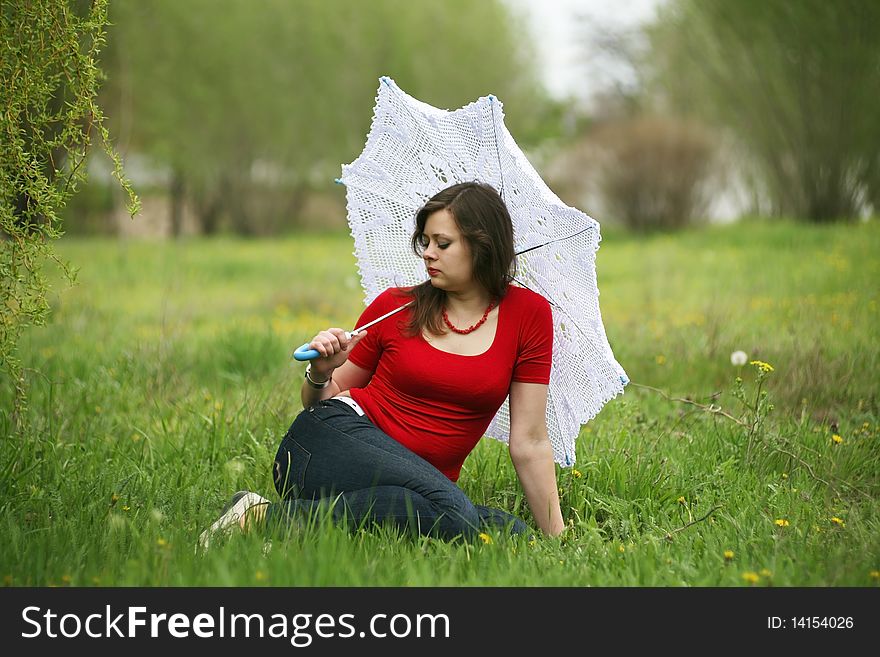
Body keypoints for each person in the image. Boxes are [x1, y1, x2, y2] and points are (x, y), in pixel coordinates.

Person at [198, 182, 565, 550]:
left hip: (420, 485)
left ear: (482, 245)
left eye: (443, 243)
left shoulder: (529, 315)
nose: (428, 254)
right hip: (327, 444)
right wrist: (322, 371)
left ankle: (289, 520)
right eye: (425, 242)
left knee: (509, 531)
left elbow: (529, 441)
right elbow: (318, 402)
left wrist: (556, 538)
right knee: (456, 515)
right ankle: (262, 519)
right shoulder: (397, 306)